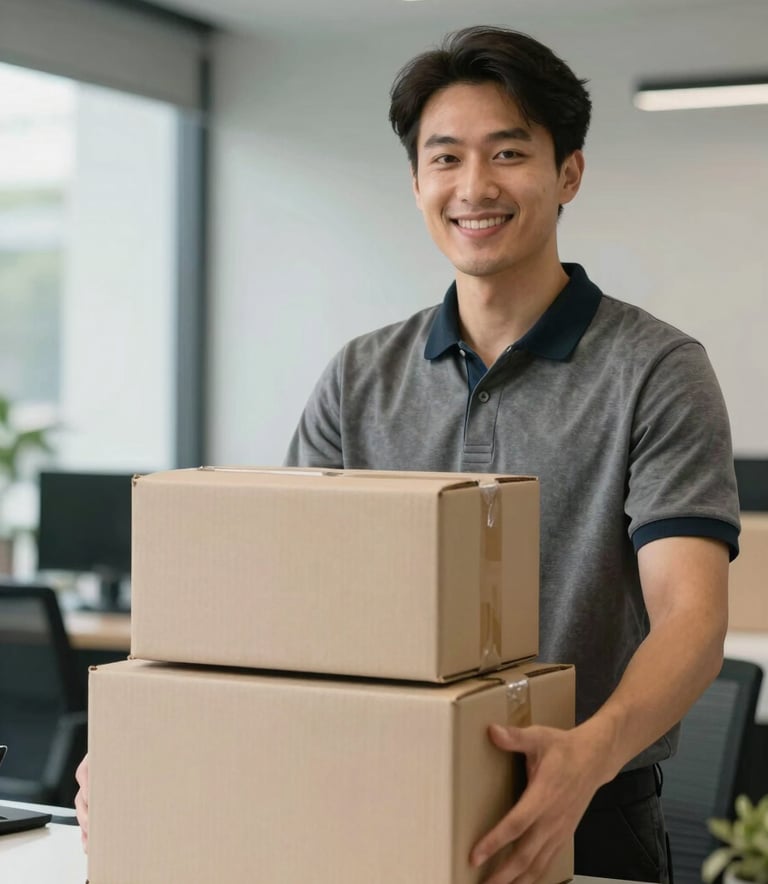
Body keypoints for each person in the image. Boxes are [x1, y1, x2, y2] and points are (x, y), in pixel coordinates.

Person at [77, 25, 739, 884]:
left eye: (508, 153)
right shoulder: (360, 377)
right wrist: (145, 737)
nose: (475, 186)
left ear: (568, 173)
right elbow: (274, 603)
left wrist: (591, 753)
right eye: (446, 158)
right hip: (366, 790)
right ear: (418, 182)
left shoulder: (655, 369)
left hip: (583, 803)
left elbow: (691, 616)